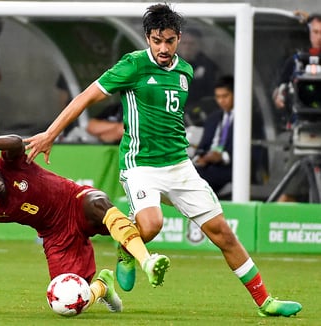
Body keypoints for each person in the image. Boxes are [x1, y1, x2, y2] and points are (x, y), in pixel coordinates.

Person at [24, 4, 302, 317]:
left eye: (169, 41)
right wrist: (51, 133)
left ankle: (266, 302)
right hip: (141, 165)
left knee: (223, 233)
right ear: (148, 38)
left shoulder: (185, 71)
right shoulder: (133, 65)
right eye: (157, 40)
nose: (163, 48)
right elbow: (85, 97)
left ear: (179, 39)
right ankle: (127, 251)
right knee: (152, 225)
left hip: (179, 166)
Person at [0, 134, 169, 312]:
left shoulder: (10, 164)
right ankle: (103, 286)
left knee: (99, 202)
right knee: (71, 301)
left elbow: (16, 142)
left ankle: (144, 260)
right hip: (56, 235)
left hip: (74, 200)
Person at [272, 13, 321, 202]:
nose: (319, 37)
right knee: (289, 191)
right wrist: (280, 97)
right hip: (303, 132)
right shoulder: (296, 61)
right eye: (316, 32)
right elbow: (279, 91)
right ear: (309, 33)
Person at [193, 75, 234, 193]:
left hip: (229, 169)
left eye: (225, 96)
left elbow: (253, 151)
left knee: (197, 180)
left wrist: (222, 157)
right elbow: (201, 148)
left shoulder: (247, 119)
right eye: (218, 97)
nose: (221, 101)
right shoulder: (213, 118)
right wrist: (200, 158)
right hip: (206, 167)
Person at [177, 27, 219, 126]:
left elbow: (212, 94)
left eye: (191, 44)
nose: (187, 47)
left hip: (198, 115)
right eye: (184, 43)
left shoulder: (208, 66)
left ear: (199, 46)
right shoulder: (168, 63)